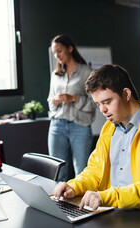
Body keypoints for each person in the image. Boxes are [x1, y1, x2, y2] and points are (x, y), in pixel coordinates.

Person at [53, 64, 140, 224]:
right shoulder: (109, 129)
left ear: (126, 94)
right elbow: (95, 171)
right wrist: (74, 186)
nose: (102, 110)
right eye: (98, 104)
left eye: (107, 101)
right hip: (116, 214)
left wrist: (106, 197)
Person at [47, 34, 95, 182]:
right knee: (57, 170)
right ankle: (58, 204)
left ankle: (80, 205)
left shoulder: (87, 72)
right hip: (57, 125)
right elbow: (49, 99)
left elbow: (95, 102)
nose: (57, 56)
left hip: (80, 127)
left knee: (81, 170)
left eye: (59, 51)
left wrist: (73, 99)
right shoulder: (56, 75)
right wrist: (55, 102)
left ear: (70, 48)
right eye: (54, 53)